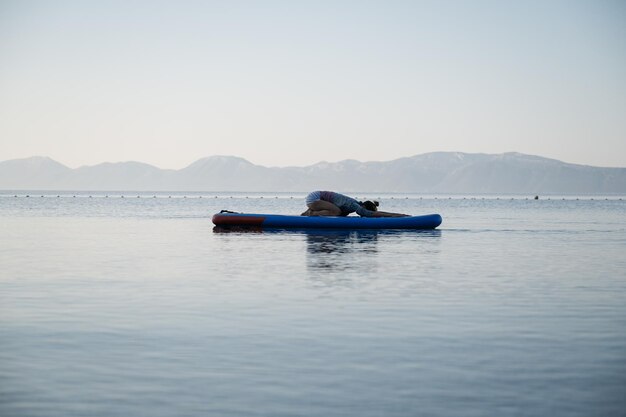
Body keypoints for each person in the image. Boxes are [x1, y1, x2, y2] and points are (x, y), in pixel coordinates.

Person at [301, 191, 409, 217]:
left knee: (338, 213)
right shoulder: (355, 205)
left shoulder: (352, 205)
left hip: (317, 198)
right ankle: (311, 212)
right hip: (314, 198)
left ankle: (310, 211)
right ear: (364, 207)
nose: (362, 214)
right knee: (336, 211)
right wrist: (397, 215)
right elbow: (370, 214)